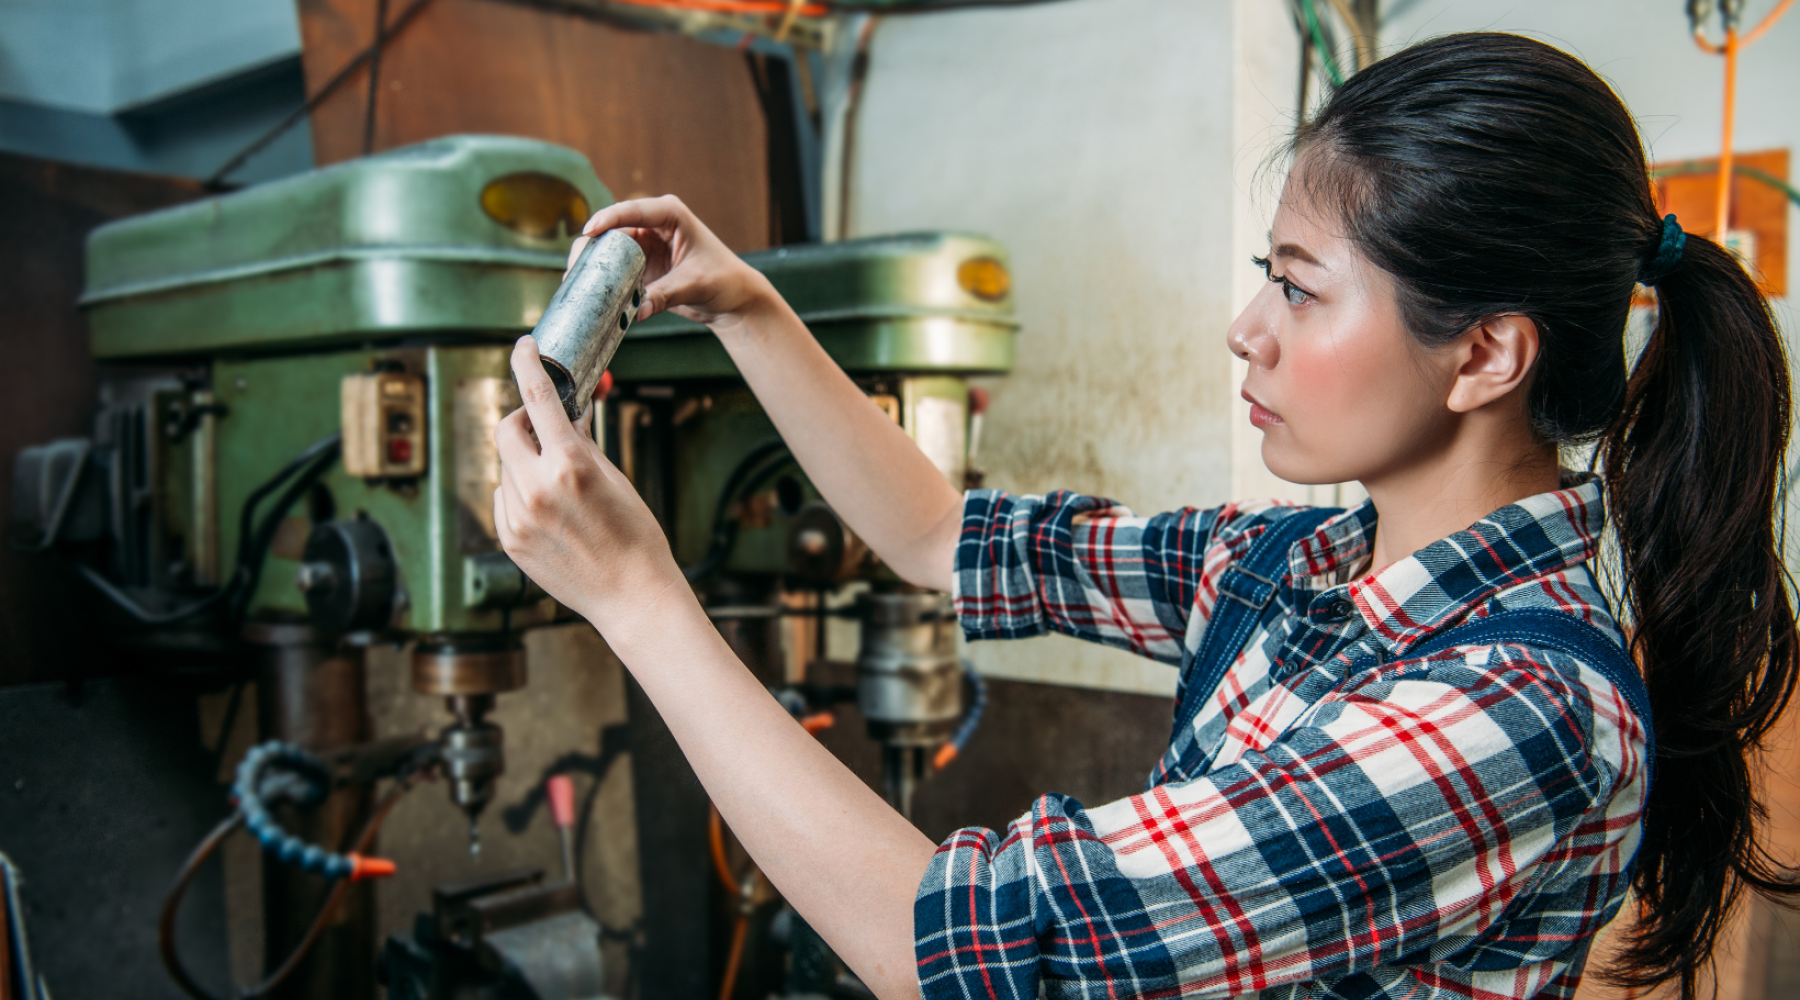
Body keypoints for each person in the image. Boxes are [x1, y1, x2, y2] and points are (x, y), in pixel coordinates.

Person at [491, 31, 1799, 1000]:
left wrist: (634, 598)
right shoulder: (1294, 565)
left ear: (1485, 358)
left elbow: (950, 946)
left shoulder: (1520, 707)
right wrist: (750, 310)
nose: (1247, 332)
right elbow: (950, 539)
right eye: (1262, 279)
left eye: (1299, 290)